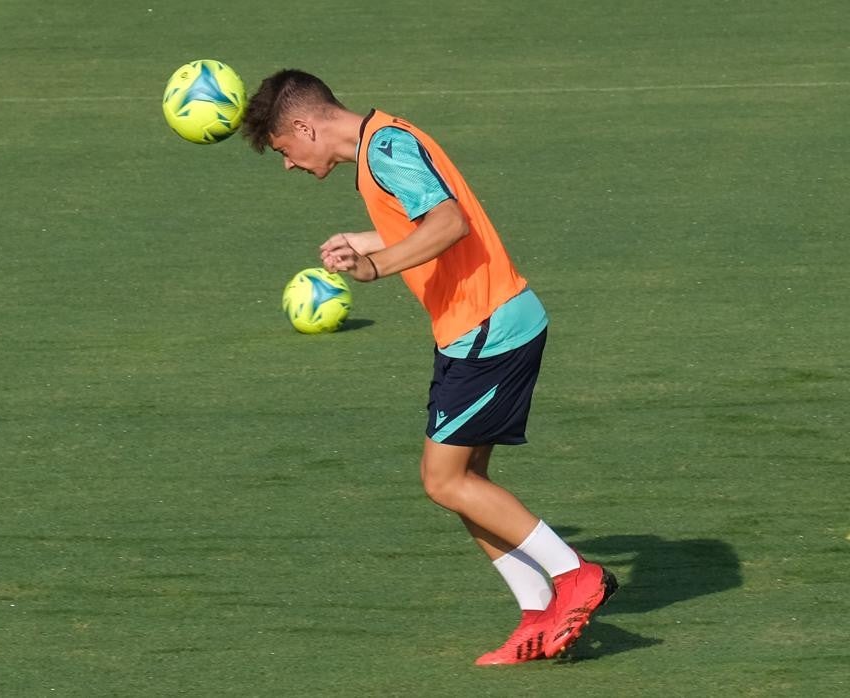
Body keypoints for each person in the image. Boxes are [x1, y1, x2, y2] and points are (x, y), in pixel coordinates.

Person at [240, 69, 617, 665]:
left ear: (306, 126)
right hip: (476, 328)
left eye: (285, 149)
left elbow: (450, 223)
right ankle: (538, 612)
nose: (288, 164)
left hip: (486, 329)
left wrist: (378, 265)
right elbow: (427, 217)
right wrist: (366, 240)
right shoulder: (380, 145)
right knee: (466, 487)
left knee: (443, 480)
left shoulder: (386, 149)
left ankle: (576, 575)